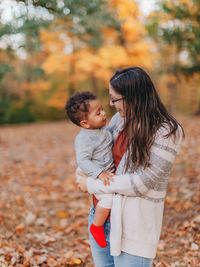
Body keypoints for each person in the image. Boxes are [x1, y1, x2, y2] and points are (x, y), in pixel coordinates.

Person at [76, 67, 184, 267]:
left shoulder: (167, 131)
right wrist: (82, 173)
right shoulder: (119, 120)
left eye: (114, 99)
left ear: (132, 97)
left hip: (134, 225)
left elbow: (143, 182)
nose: (110, 104)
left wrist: (91, 184)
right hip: (100, 216)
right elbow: (95, 153)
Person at [65, 91, 115, 248]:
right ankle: (97, 226)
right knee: (108, 198)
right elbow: (83, 160)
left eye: (102, 109)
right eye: (98, 113)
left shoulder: (102, 128)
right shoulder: (85, 138)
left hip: (99, 169)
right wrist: (99, 173)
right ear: (85, 123)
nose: (104, 113)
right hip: (90, 172)